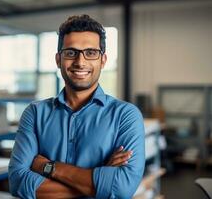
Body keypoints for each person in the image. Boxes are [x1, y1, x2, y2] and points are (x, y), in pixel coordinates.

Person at [8, 14, 145, 199]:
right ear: (58, 59)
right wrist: (100, 180)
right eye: (71, 52)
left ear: (103, 60)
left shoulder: (125, 115)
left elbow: (122, 188)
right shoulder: (35, 113)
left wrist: (47, 167)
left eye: (90, 53)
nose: (80, 62)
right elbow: (17, 182)